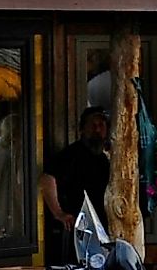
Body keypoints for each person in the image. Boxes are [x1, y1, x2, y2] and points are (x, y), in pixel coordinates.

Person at [40, 107, 112, 255]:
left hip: (106, 227)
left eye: (101, 125)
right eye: (93, 125)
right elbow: (47, 179)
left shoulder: (108, 157)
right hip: (81, 228)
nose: (97, 129)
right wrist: (58, 213)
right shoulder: (71, 155)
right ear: (82, 129)